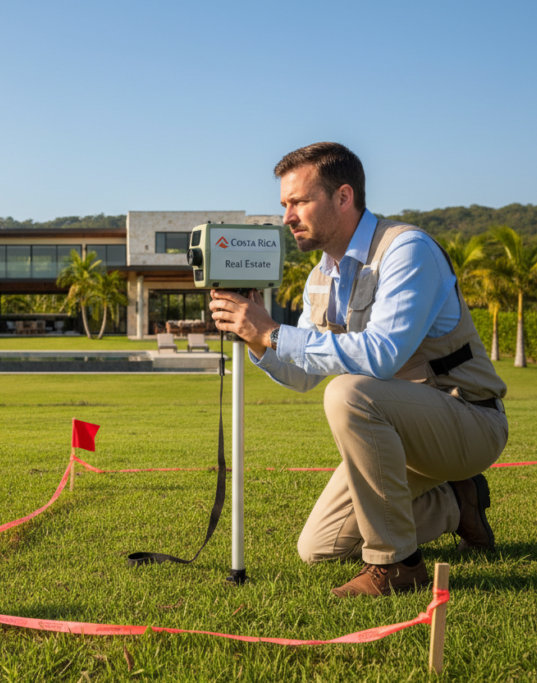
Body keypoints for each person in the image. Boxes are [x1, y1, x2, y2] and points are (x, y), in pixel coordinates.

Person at [209, 142, 508, 598]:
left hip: (466, 418)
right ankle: (457, 503)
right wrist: (256, 338)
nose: (288, 216)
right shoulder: (320, 276)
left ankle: (399, 566)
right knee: (318, 547)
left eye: (299, 202)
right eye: (284, 204)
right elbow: (302, 375)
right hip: (397, 432)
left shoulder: (407, 250)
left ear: (343, 197)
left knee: (348, 393)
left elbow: (384, 354)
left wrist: (274, 333)